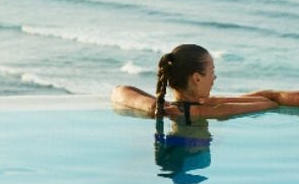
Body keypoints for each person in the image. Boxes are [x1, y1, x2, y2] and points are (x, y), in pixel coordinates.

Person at [112, 44, 277, 126]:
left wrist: (152, 106)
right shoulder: (209, 111)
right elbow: (268, 103)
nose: (214, 78)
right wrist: (217, 101)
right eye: (212, 72)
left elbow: (120, 91)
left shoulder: (167, 108)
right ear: (197, 78)